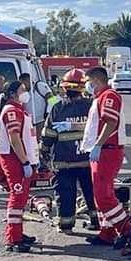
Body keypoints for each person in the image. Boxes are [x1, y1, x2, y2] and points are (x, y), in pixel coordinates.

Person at [41, 69, 99, 232]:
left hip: (64, 161)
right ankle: (96, 221)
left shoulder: (58, 108)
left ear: (64, 88)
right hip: (88, 160)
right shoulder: (91, 106)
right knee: (91, 192)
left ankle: (66, 225)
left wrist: (44, 151)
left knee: (65, 194)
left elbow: (49, 134)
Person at [82, 66, 131, 246]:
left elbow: (110, 122)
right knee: (101, 195)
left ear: (96, 80)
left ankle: (127, 229)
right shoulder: (101, 97)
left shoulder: (108, 96)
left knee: (103, 195)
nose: (87, 86)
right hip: (103, 150)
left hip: (107, 150)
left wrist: (98, 144)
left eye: (88, 82)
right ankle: (107, 232)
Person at [0, 81, 40, 252]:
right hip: (15, 159)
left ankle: (18, 233)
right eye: (22, 90)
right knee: (17, 195)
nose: (26, 92)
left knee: (21, 197)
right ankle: (13, 238)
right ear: (13, 94)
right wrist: (25, 162)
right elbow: (14, 139)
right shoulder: (12, 111)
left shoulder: (18, 109)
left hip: (20, 158)